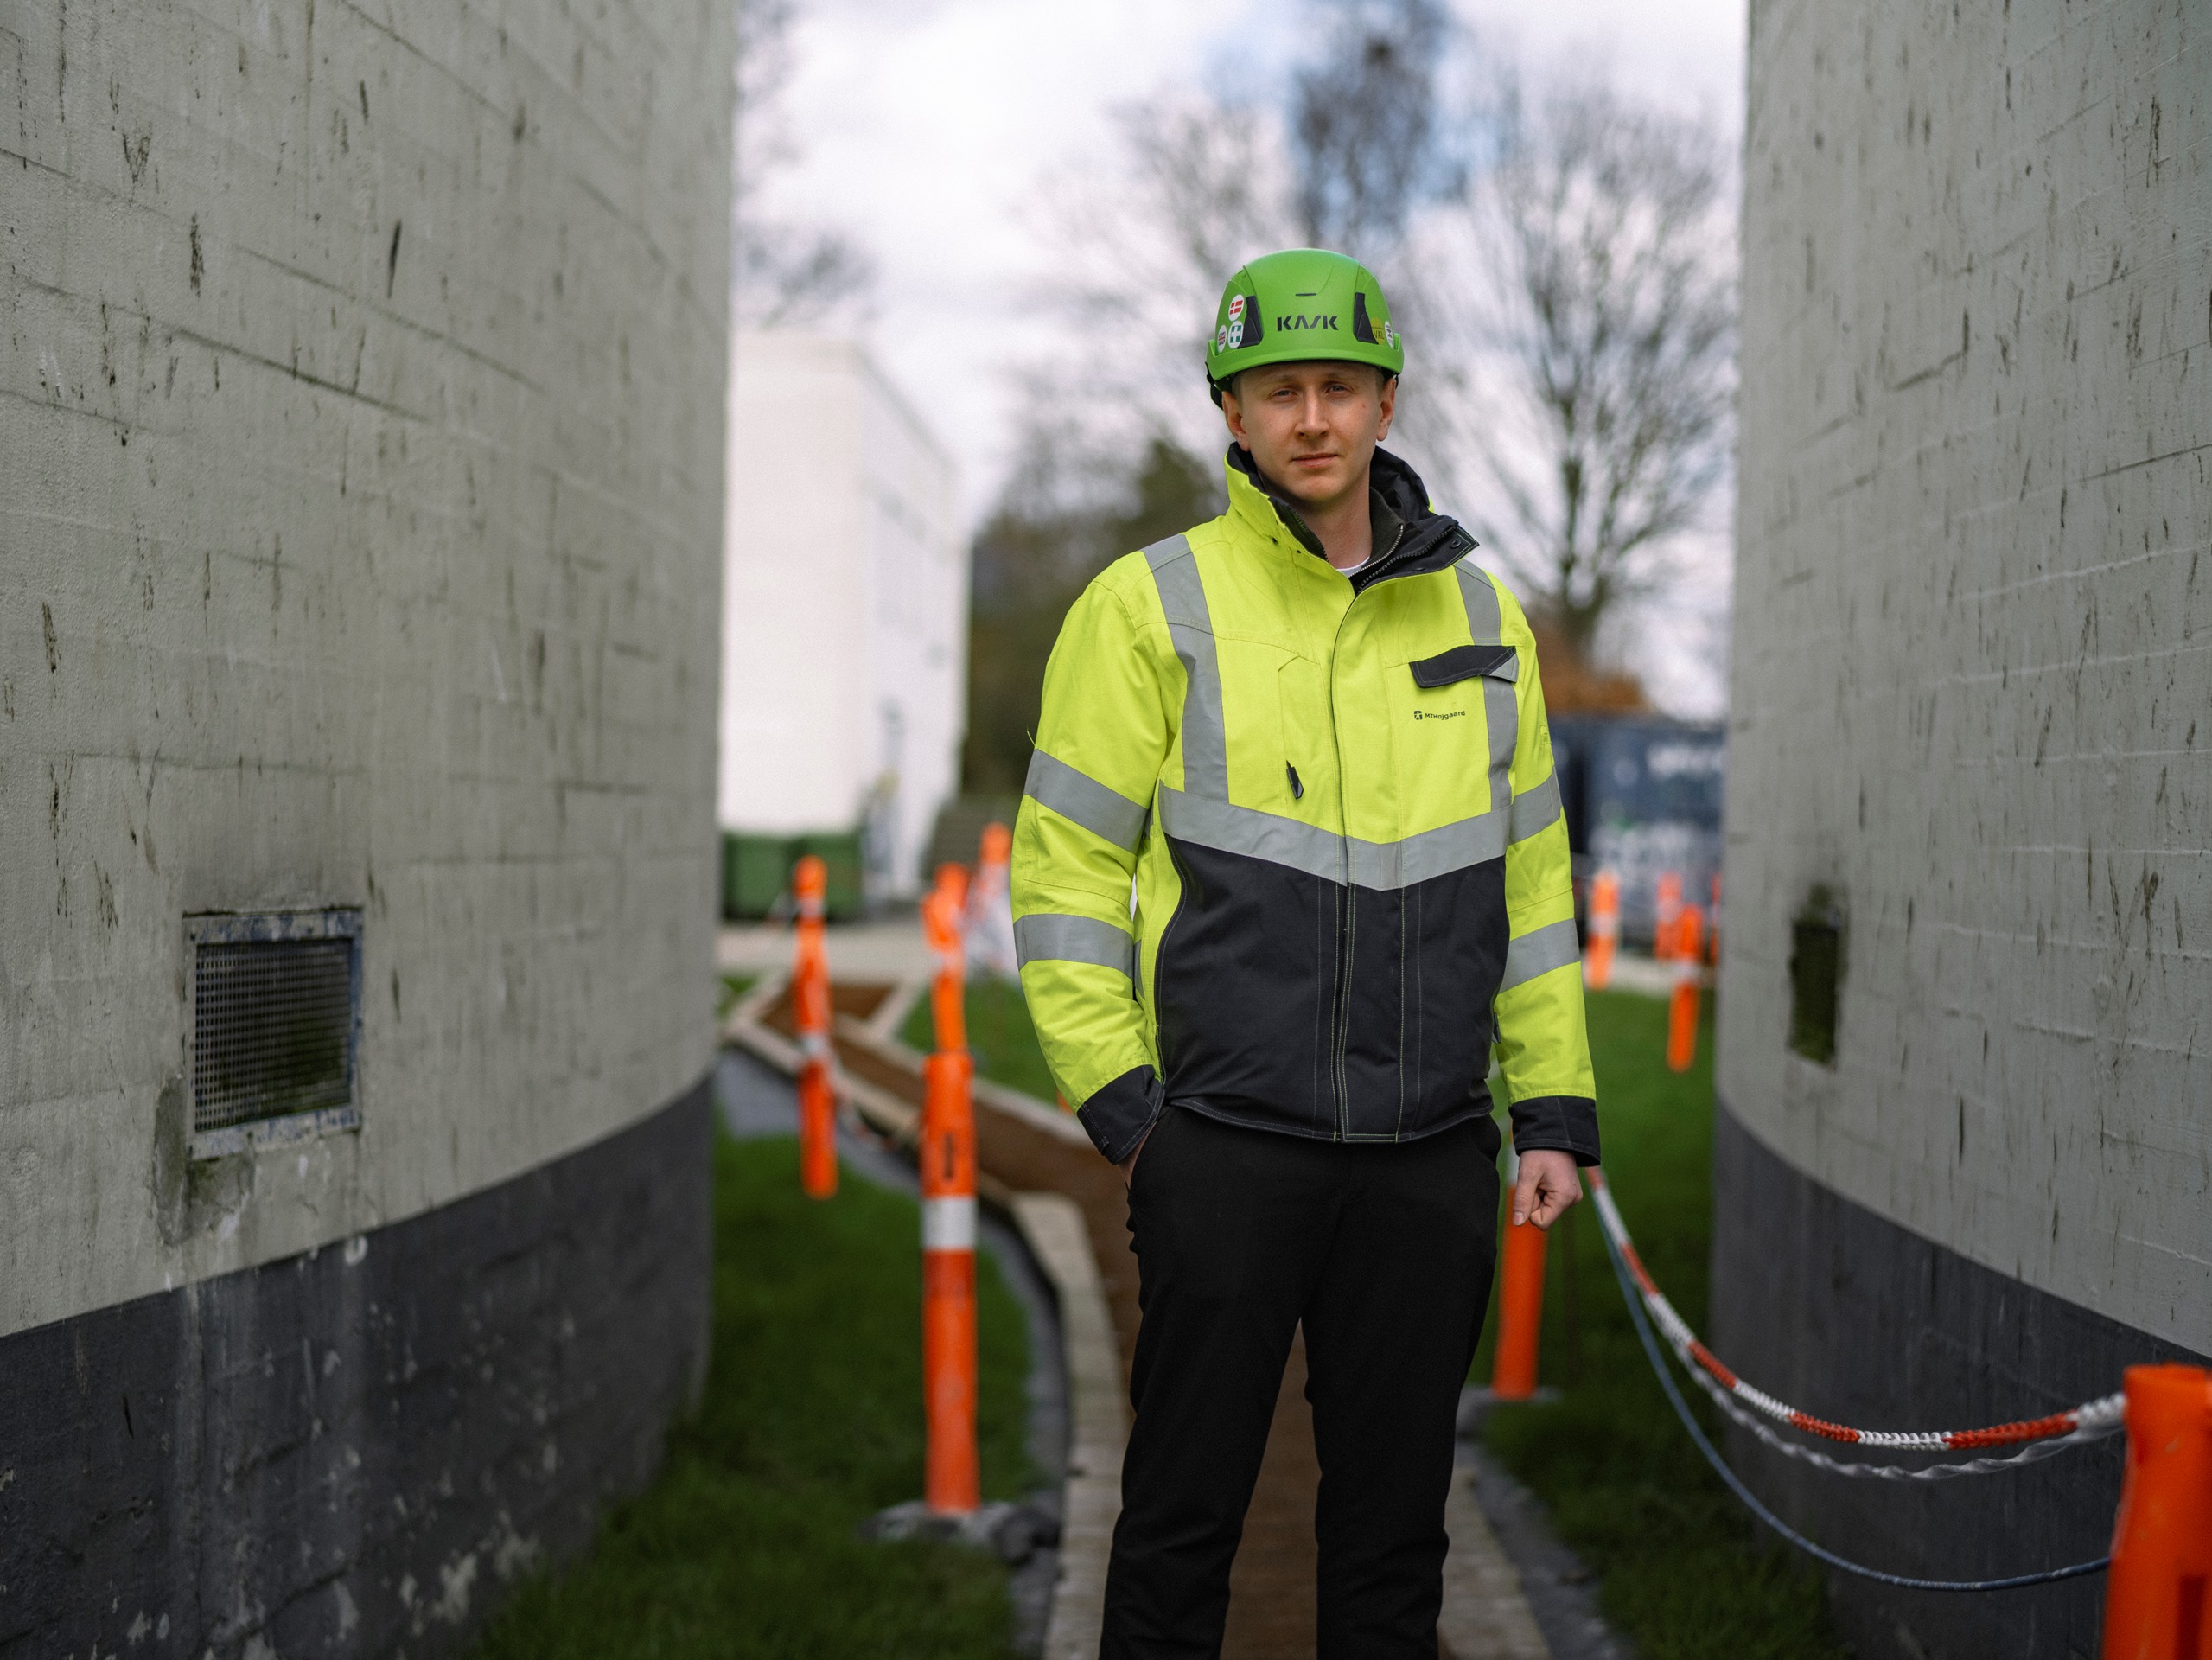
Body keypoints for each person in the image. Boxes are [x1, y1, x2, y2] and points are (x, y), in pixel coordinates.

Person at [1010, 247, 1598, 1659]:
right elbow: (1066, 866)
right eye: (1280, 391)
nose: (1314, 417)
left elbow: (1529, 883)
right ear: (1233, 413)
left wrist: (1555, 1110)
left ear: (1389, 402)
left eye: (1341, 386)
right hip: (1223, 1147)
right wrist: (1128, 1110)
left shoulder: (1479, 616)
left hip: (1427, 1157)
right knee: (1178, 1526)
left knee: (1394, 1543)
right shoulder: (1146, 606)